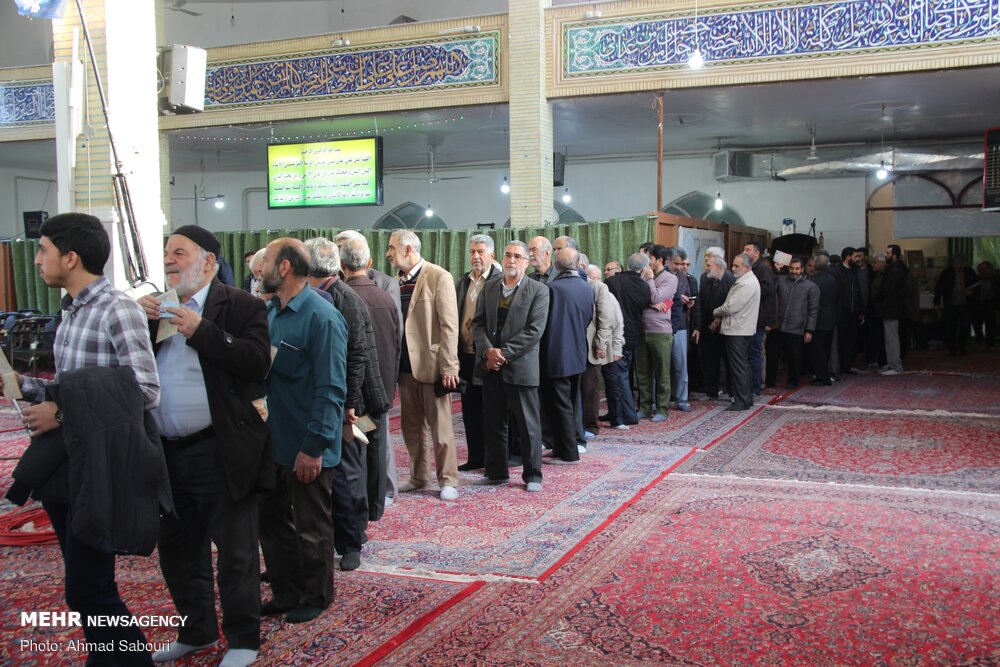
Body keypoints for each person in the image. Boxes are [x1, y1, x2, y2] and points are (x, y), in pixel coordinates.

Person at [4, 212, 162, 666]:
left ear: (70, 257)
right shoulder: (72, 311)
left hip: (101, 465)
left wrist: (61, 412)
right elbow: (70, 388)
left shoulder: (117, 309)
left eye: (43, 250)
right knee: (86, 585)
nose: (37, 260)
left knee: (88, 588)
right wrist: (25, 386)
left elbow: (145, 391)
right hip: (68, 462)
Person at [136, 226, 271, 667]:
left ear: (209, 261)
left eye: (179, 252)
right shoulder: (156, 308)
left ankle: (243, 640)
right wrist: (139, 321)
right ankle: (196, 631)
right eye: (166, 253)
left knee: (235, 551)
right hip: (165, 453)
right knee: (177, 551)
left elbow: (256, 363)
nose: (169, 260)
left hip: (219, 450)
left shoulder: (242, 305)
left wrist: (201, 330)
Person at [257, 238, 348, 624]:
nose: (259, 269)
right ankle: (287, 591)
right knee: (272, 522)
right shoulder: (271, 313)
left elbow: (331, 389)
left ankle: (316, 595)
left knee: (312, 527)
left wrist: (314, 447)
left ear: (283, 268)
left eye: (265, 261)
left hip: (307, 443)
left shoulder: (322, 317)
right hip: (273, 441)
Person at [306, 237, 390, 572]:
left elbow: (357, 355)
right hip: (341, 398)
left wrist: (351, 403)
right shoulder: (327, 294)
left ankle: (353, 539)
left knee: (348, 472)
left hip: (352, 403)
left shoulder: (344, 298)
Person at [387, 230, 462, 501]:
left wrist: (450, 366)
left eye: (392, 248)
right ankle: (419, 476)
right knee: (411, 428)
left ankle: (448, 479)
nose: (388, 254)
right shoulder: (394, 282)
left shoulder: (438, 276)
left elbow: (449, 325)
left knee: (441, 428)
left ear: (408, 249)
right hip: (404, 368)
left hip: (432, 366)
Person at [471, 240, 550, 490]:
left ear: (526, 262)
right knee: (493, 423)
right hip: (491, 367)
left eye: (517, 256)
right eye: (508, 255)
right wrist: (488, 351)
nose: (511, 260)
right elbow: (477, 323)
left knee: (528, 426)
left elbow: (534, 331)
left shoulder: (539, 290)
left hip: (520, 367)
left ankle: (533, 475)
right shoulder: (490, 287)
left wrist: (503, 354)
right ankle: (496, 472)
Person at [334, 229, 402, 505]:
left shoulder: (344, 297)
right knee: (372, 443)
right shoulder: (384, 297)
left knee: (360, 448)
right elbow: (397, 342)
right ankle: (375, 502)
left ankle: (367, 503)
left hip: (357, 390)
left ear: (342, 263)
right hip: (379, 384)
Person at [539, 247, 594, 463]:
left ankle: (568, 453)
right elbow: (587, 319)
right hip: (578, 353)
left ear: (555, 265)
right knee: (570, 403)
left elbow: (543, 324)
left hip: (555, 355)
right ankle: (561, 448)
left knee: (559, 406)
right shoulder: (586, 287)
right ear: (578, 264)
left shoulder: (552, 288)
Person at [455, 234, 502, 471]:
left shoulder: (499, 281)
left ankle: (494, 460)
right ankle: (475, 457)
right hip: (465, 354)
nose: (475, 256)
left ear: (492, 255)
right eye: (472, 252)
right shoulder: (463, 282)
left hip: (487, 355)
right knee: (470, 408)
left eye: (480, 252)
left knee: (491, 410)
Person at [603, 252, 650, 429]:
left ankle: (627, 415)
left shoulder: (612, 282)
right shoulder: (644, 287)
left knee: (617, 376)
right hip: (632, 335)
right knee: (622, 374)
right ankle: (621, 413)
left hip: (614, 334)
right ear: (643, 270)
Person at [711, 253, 761, 411]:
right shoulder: (747, 280)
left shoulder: (746, 283)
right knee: (742, 366)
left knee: (739, 367)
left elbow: (731, 307)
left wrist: (715, 311)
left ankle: (741, 401)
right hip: (740, 328)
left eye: (736, 266)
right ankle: (746, 399)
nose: (732, 268)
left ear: (746, 267)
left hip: (737, 329)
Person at [636, 244, 677, 422]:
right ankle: (644, 407)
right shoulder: (642, 275)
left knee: (662, 373)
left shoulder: (670, 279)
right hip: (641, 330)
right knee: (643, 373)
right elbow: (637, 298)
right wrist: (652, 304)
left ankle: (662, 408)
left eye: (650, 258)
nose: (646, 262)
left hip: (660, 332)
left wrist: (650, 280)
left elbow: (654, 296)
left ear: (659, 260)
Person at [775, 256, 819, 388]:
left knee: (794, 357)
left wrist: (809, 330)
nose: (794, 271)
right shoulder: (781, 280)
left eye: (797, 269)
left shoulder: (811, 286)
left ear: (802, 269)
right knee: (774, 355)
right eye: (792, 268)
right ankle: (770, 381)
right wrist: (776, 271)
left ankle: (792, 382)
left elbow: (813, 310)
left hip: (797, 327)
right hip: (778, 325)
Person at [698, 249, 736, 400]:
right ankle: (711, 391)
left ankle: (732, 392)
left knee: (729, 361)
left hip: (725, 327)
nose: (706, 268)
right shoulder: (704, 278)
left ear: (718, 266)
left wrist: (718, 318)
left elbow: (731, 303)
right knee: (709, 360)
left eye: (708, 265)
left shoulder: (731, 279)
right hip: (707, 327)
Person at [744, 241, 777, 395]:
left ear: (757, 253)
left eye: (748, 250)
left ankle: (756, 386)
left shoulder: (763, 269)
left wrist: (748, 290)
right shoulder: (750, 268)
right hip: (749, 316)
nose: (744, 252)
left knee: (755, 351)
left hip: (759, 317)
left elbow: (768, 290)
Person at [668, 247, 697, 412]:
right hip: (662, 324)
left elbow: (687, 296)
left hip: (680, 324)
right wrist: (677, 299)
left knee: (681, 364)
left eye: (682, 264)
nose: (679, 267)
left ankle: (682, 399)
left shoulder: (683, 277)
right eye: (676, 263)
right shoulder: (660, 275)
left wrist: (688, 302)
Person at [873, 244, 909, 374]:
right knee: (889, 339)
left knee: (891, 338)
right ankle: (891, 364)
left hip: (891, 308)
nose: (885, 255)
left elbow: (887, 289)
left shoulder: (895, 271)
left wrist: (876, 298)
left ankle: (895, 366)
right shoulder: (895, 269)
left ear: (894, 255)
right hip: (891, 307)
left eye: (888, 253)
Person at [934, 255, 977, 356]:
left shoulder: (970, 272)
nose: (959, 265)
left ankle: (962, 348)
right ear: (953, 263)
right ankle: (952, 349)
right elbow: (939, 288)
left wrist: (972, 292)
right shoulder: (947, 273)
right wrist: (937, 303)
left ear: (965, 263)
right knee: (950, 327)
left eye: (961, 263)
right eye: (957, 263)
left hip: (965, 304)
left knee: (964, 327)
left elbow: (976, 287)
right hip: (951, 304)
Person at [809, 254, 838, 385]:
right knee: (826, 349)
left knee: (818, 350)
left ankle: (822, 377)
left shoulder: (814, 281)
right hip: (830, 318)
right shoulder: (832, 279)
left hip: (819, 319)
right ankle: (824, 374)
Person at [970, 261, 999, 348]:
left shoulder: (996, 279)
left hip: (990, 304)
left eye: (985, 269)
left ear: (990, 269)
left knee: (990, 325)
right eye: (981, 269)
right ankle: (979, 340)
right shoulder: (975, 279)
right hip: (977, 304)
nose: (983, 271)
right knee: (977, 324)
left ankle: (990, 344)